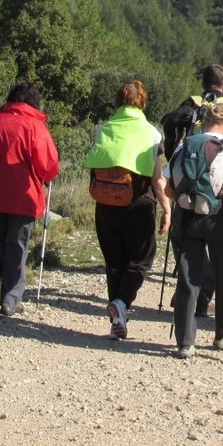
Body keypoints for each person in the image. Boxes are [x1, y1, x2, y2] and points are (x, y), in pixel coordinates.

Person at [83, 79, 171, 340]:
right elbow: (157, 178)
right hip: (138, 203)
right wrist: (167, 208)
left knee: (114, 261)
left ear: (118, 102)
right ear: (142, 102)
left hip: (106, 203)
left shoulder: (103, 129)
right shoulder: (153, 134)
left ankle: (117, 318)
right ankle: (121, 303)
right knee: (142, 258)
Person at [162, 63, 223, 318]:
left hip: (185, 190)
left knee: (191, 247)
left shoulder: (189, 105)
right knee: (220, 251)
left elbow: (170, 133)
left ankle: (192, 298)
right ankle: (209, 305)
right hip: (219, 195)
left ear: (202, 84)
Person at [0, 82, 60, 316]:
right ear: (34, 102)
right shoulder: (35, 126)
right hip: (24, 197)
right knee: (17, 244)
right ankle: (11, 299)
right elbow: (48, 167)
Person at [166, 102, 223, 359]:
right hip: (219, 217)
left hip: (187, 217)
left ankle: (185, 341)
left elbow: (167, 185)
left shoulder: (184, 146)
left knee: (188, 279)